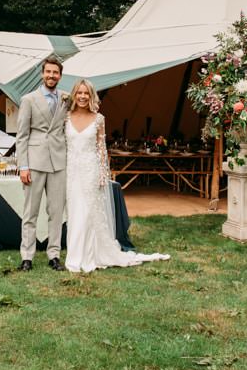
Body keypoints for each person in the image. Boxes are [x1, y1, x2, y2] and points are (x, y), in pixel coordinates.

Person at [64, 79, 169, 273]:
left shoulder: (98, 119)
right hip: (72, 171)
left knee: (88, 213)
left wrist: (103, 174)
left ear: (91, 96)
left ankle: (88, 256)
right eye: (79, 92)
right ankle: (75, 255)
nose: (82, 96)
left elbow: (101, 149)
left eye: (86, 93)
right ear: (74, 94)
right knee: (75, 212)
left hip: (91, 170)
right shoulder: (66, 117)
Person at [14, 55, 67, 271]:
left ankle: (54, 255)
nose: (51, 75)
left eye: (55, 72)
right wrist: (23, 166)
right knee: (30, 212)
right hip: (34, 162)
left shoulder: (66, 98)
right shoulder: (28, 99)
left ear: (60, 76)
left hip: (59, 162)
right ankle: (27, 257)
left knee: (56, 212)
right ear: (42, 74)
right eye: (48, 72)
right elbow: (22, 135)